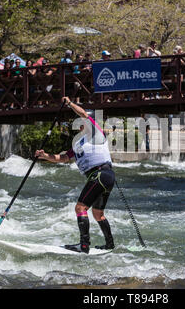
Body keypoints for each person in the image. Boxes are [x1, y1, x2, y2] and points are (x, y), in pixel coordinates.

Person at [35, 97, 116, 254]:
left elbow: (85, 115)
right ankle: (109, 244)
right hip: (104, 176)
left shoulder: (96, 132)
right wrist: (45, 156)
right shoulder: (79, 143)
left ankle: (84, 245)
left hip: (100, 174)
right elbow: (64, 158)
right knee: (97, 213)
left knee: (80, 207)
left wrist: (70, 103)